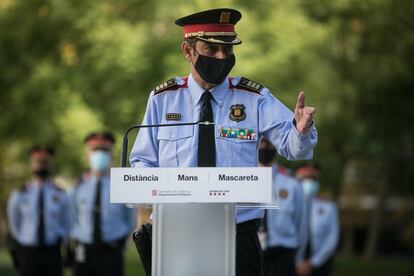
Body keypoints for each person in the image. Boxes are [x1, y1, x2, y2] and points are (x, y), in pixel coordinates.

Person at [129, 8, 318, 276]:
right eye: (212, 49)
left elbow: (294, 147)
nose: (221, 57)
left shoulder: (254, 98)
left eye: (228, 50)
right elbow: (142, 160)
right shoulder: (163, 99)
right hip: (178, 231)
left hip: (237, 234)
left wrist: (301, 129)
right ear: (188, 50)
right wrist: (158, 189)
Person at [70, 132, 136, 276]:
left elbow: (130, 218)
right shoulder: (78, 187)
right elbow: (72, 217)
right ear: (87, 155)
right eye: (95, 150)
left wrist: (120, 239)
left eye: (105, 151)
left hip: (111, 251)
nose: (100, 154)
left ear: (111, 154)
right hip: (84, 252)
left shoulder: (121, 186)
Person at [7, 146, 71, 276]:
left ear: (51, 165)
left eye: (45, 162)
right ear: (30, 165)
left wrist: (60, 237)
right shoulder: (19, 194)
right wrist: (23, 239)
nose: (41, 166)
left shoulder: (61, 194)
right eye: (38, 162)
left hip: (52, 251)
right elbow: (15, 223)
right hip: (28, 252)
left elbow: (67, 221)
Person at [259, 139, 307, 276]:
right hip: (253, 252)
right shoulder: (242, 180)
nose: (264, 147)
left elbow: (301, 224)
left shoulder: (291, 183)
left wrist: (298, 259)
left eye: (268, 144)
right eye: (260, 143)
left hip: (283, 255)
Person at [295, 163, 339, 276]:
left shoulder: (328, 206)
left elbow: (332, 238)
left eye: (313, 179)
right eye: (305, 179)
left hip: (321, 265)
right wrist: (297, 262)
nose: (309, 183)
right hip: (292, 264)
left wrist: (313, 263)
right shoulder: (288, 206)